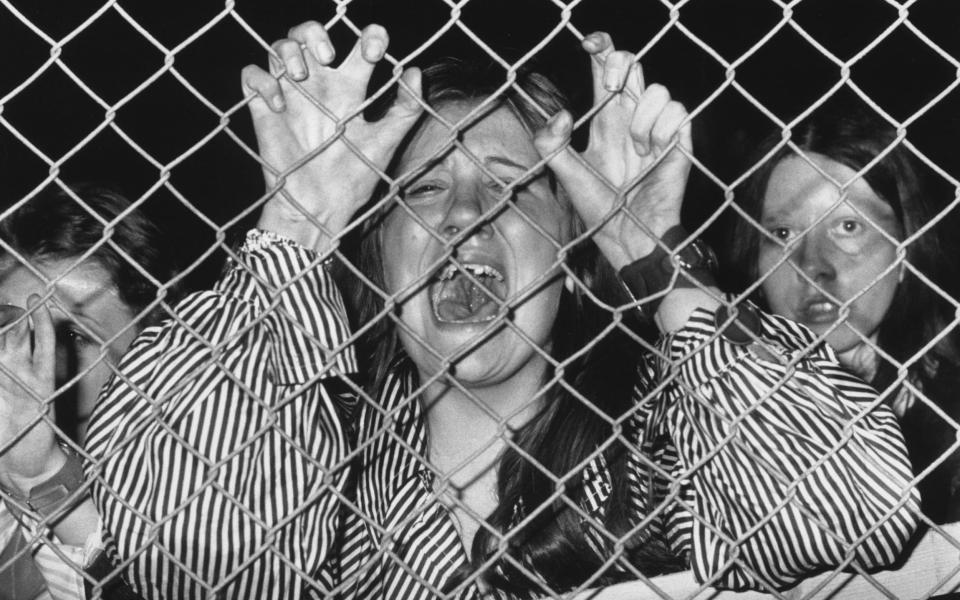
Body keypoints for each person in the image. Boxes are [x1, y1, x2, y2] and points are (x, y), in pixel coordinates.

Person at [12, 23, 915, 599]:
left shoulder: (663, 444)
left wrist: (651, 254)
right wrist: (296, 225)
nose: (462, 215)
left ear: (570, 247)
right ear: (379, 251)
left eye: (513, 187)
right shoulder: (318, 456)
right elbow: (194, 555)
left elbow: (844, 513)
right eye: (427, 187)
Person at [726, 107, 960, 524]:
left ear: (905, 249)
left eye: (848, 226)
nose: (812, 265)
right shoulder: (728, 405)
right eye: (781, 234)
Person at [0, 184, 177, 599]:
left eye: (71, 336)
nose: (27, 358)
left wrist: (45, 481)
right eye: (7, 326)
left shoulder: (190, 488)